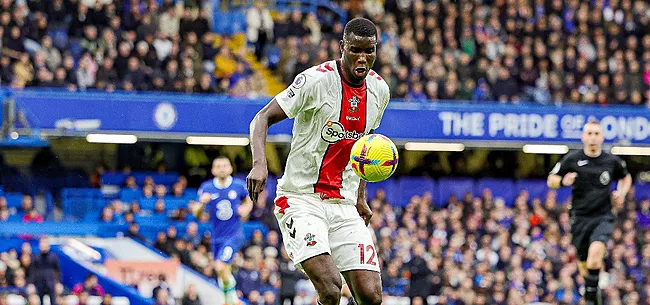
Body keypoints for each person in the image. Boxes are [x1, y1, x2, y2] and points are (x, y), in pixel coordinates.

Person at [247, 18, 389, 305]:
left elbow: (365, 147)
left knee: (371, 296)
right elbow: (261, 118)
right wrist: (259, 163)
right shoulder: (315, 80)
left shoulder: (379, 91)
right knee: (330, 287)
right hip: (301, 199)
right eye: (355, 50)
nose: (362, 58)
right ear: (342, 48)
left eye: (369, 51)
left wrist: (360, 197)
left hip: (344, 204)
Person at [547, 120, 632, 305]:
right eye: (589, 133)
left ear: (601, 137)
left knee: (595, 259)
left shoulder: (611, 161)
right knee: (586, 269)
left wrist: (622, 193)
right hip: (579, 219)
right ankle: (594, 297)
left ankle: (590, 300)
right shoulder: (572, 159)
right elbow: (551, 179)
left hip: (603, 217)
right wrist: (563, 181)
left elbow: (626, 177)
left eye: (596, 134)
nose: (593, 137)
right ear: (583, 137)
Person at [195, 157, 253, 305]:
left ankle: (232, 300)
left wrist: (245, 209)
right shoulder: (207, 188)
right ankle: (228, 299)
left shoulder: (238, 186)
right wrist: (202, 204)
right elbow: (198, 215)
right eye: (218, 166)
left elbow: (249, 200)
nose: (222, 168)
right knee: (221, 269)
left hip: (234, 234)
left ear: (230, 168)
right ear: (213, 170)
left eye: (225, 165)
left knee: (221, 266)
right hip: (217, 237)